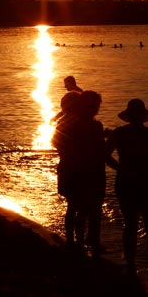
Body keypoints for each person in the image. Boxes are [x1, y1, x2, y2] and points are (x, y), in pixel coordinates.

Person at [105, 98, 148, 288]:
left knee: (130, 225)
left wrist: (121, 169)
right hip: (146, 184)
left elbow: (105, 155)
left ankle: (131, 265)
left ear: (129, 116)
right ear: (142, 116)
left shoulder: (119, 133)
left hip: (127, 183)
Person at [52, 90, 106, 258]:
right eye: (91, 106)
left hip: (85, 170)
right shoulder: (83, 124)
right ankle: (77, 242)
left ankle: (81, 242)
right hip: (79, 171)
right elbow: (99, 149)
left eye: (95, 106)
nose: (94, 109)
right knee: (79, 207)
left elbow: (57, 142)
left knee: (82, 207)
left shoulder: (90, 125)